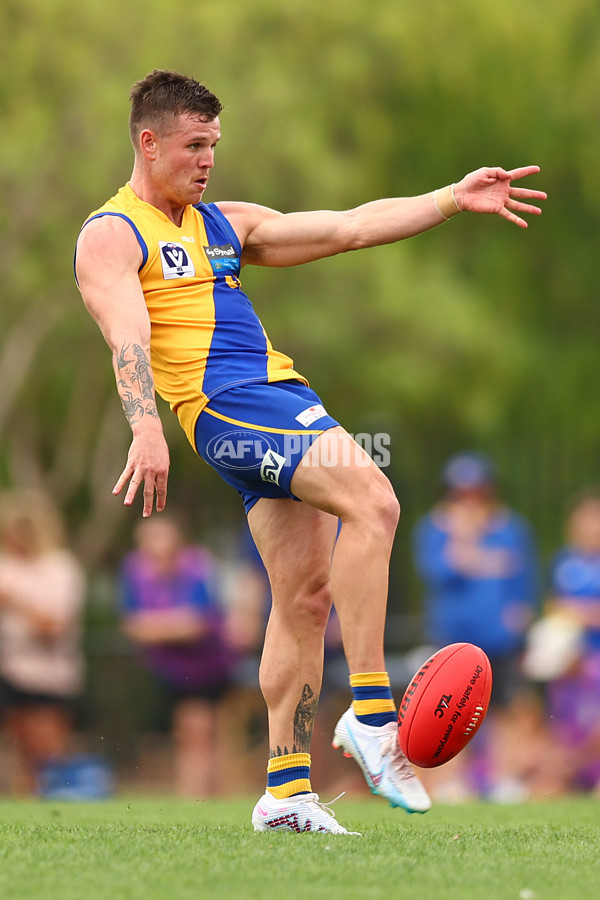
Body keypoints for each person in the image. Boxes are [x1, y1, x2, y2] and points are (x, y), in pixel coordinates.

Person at [74, 69, 546, 833]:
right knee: (376, 499)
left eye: (215, 145)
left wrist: (450, 199)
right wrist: (144, 425)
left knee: (303, 598)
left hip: (281, 397)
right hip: (227, 411)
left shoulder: (225, 223)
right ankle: (371, 713)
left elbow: (348, 226)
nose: (208, 160)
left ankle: (285, 794)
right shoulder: (113, 234)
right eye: (194, 145)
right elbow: (127, 331)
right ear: (147, 141)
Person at [412, 452, 540, 800]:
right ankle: (452, 781)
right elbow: (437, 573)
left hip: (499, 637)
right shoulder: (434, 529)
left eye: (476, 492)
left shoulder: (512, 528)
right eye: (461, 493)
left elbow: (524, 581)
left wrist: (522, 617)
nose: (469, 501)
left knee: (504, 707)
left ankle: (506, 779)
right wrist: (464, 539)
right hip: (452, 637)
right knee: (449, 711)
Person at [120, 514, 235, 797]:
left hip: (208, 666)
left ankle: (198, 797)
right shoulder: (135, 570)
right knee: (194, 734)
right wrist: (174, 625)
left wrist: (155, 626)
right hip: (168, 668)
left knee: (198, 732)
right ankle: (202, 796)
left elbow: (197, 625)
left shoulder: (197, 567)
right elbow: (133, 625)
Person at [0, 489, 86, 794]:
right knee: (19, 750)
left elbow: (56, 626)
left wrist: (14, 602)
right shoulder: (7, 566)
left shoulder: (58, 568)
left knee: (48, 754)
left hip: (47, 671)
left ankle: (57, 802)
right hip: (11, 667)